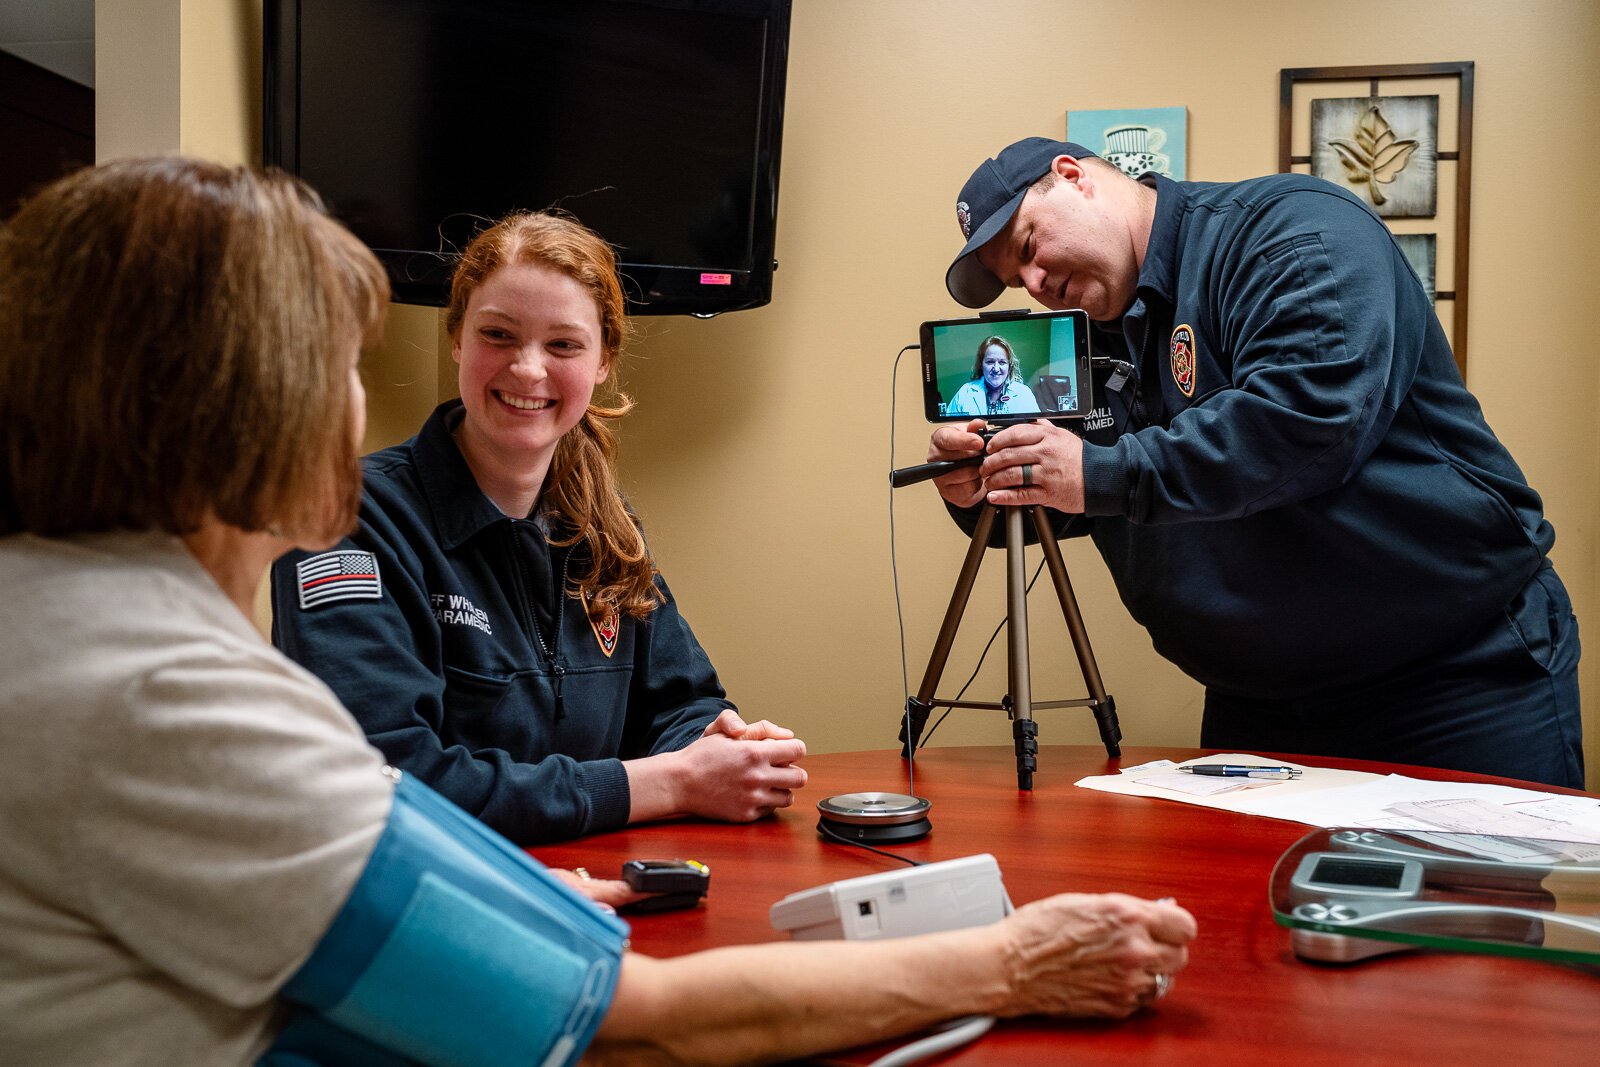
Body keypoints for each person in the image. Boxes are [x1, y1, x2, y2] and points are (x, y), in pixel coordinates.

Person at [0, 156, 1196, 1067]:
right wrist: (1017, 955)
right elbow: (644, 1022)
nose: (353, 402)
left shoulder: (70, 615)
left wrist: (498, 874)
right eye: (340, 362)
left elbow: (681, 703)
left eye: (561, 345)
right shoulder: (168, 688)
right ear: (239, 403)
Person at [930, 136, 1583, 788]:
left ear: (1073, 177)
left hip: (1454, 681)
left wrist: (1096, 473)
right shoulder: (1086, 343)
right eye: (1019, 282)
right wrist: (979, 482)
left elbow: (1306, 420)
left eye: (1028, 249)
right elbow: (1081, 486)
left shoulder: (1286, 230)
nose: (1036, 286)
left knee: (1479, 892)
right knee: (1251, 896)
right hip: (1259, 706)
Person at [271, 210, 806, 845]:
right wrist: (673, 783)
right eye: (498, 334)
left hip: (593, 881)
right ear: (456, 341)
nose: (528, 370)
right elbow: (390, 778)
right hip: (429, 896)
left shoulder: (605, 528)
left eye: (563, 344)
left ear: (604, 360)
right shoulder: (344, 520)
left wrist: (722, 743)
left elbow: (680, 702)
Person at [945, 334, 1043, 416]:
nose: (996, 369)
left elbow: (1037, 429)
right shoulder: (964, 392)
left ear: (1009, 366)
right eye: (990, 362)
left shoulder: (1023, 393)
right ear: (981, 365)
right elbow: (949, 428)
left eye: (1002, 362)